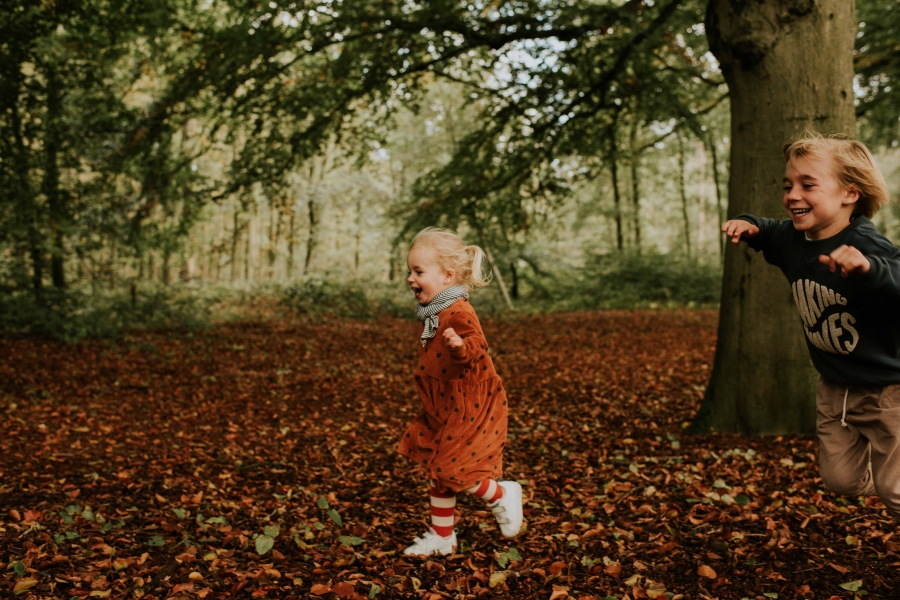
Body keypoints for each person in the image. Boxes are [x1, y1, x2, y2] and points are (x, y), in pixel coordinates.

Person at [721, 131, 900, 519]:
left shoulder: (867, 244)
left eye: (807, 185)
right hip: (834, 389)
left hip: (888, 391)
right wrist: (747, 225)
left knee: (895, 491)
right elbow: (767, 229)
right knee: (841, 480)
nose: (792, 195)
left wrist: (870, 269)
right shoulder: (791, 238)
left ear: (849, 194)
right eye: (788, 185)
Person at [398, 227, 523, 556]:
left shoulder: (458, 311)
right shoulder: (437, 311)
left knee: (455, 470)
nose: (410, 278)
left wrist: (459, 348)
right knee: (439, 470)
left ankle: (501, 494)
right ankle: (443, 537)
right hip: (448, 404)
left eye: (419, 272)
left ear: (447, 276)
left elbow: (476, 349)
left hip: (470, 403)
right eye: (409, 271)